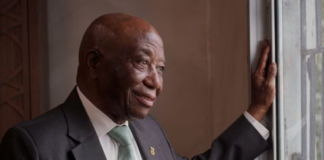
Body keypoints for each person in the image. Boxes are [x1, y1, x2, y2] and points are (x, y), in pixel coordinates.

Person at [0, 13, 277, 160]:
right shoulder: (32, 145)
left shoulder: (148, 129)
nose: (156, 83)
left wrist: (257, 108)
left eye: (160, 69)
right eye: (143, 62)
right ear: (94, 63)